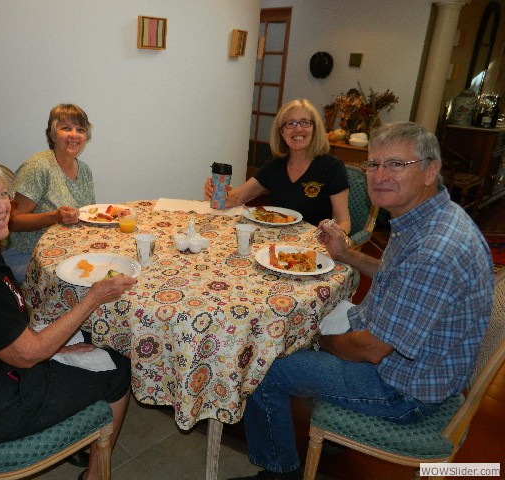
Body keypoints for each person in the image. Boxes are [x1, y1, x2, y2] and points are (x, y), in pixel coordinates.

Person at [228, 122, 495, 480]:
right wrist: (346, 254)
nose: (380, 175)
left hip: (402, 391)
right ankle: (334, 426)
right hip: (415, 361)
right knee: (308, 322)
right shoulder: (429, 218)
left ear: (430, 171)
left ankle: (280, 471)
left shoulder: (436, 250)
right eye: (374, 164)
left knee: (263, 365)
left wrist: (318, 341)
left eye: (396, 164)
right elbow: (396, 273)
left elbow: (371, 350)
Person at [0, 147, 136, 480]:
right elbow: (26, 356)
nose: (1, 206)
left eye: (3, 194)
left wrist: (59, 350)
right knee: (118, 366)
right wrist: (93, 297)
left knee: (80, 343)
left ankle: (81, 439)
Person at [204, 98, 351, 232]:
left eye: (305, 122)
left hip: (314, 245)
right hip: (275, 240)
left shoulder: (332, 167)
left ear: (314, 128)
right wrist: (217, 193)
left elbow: (343, 221)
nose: (298, 129)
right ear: (282, 132)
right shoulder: (275, 164)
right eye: (290, 123)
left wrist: (333, 238)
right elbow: (236, 198)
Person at [3, 103, 96, 283]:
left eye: (80, 129)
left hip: (67, 252)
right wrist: (55, 216)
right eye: (66, 128)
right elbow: (12, 219)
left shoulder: (85, 171)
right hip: (29, 256)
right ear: (53, 134)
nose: (74, 135)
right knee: (81, 284)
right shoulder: (39, 166)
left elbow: (87, 215)